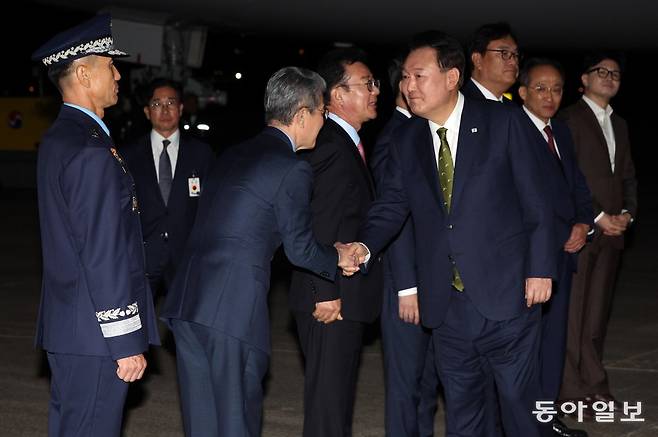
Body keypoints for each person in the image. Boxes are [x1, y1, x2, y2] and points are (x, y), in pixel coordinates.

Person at [348, 31, 556, 436]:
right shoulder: (407, 138)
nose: (408, 86)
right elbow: (391, 206)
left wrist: (541, 268)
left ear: (452, 77)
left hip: (509, 296)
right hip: (447, 307)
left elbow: (538, 201)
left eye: (418, 76)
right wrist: (363, 245)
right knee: (463, 413)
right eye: (405, 78)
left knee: (520, 410)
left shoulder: (504, 122)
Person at [159, 66, 359, 437]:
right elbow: (299, 249)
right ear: (302, 115)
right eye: (322, 112)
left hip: (187, 303)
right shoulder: (292, 168)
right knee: (236, 422)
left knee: (203, 424)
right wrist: (339, 257)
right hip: (230, 312)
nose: (324, 120)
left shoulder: (233, 154)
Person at [31, 13, 160, 437]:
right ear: (84, 73)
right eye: (110, 65)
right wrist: (125, 341)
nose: (119, 75)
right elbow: (103, 252)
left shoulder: (62, 139)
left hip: (74, 329)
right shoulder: (89, 151)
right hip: (96, 336)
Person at [288, 47, 384, 437]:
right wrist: (326, 291)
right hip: (331, 301)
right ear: (338, 95)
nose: (376, 90)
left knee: (336, 400)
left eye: (375, 83)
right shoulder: (330, 146)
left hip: (339, 294)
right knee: (329, 407)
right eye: (367, 84)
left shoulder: (345, 144)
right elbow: (317, 223)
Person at [558, 52, 638, 415]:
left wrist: (627, 215)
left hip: (613, 233)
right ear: (584, 80)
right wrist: (598, 215)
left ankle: (595, 386)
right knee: (573, 316)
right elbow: (566, 176)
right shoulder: (570, 119)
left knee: (595, 317)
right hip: (582, 228)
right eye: (601, 72)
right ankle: (570, 392)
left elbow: (628, 177)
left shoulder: (619, 123)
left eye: (615, 73)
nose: (609, 77)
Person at [517, 57, 594, 437]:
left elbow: (577, 185)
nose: (550, 96)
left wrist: (583, 223)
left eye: (557, 89)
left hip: (565, 255)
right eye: (541, 88)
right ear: (523, 92)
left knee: (553, 344)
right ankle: (522, 421)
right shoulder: (514, 131)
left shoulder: (560, 132)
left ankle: (545, 420)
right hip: (531, 259)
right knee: (525, 347)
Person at [370, 55, 440, 437]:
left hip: (428, 282)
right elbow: (392, 217)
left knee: (426, 383)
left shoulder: (420, 131)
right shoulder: (396, 137)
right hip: (405, 285)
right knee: (405, 386)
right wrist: (406, 287)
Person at [120, 78, 215, 296]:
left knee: (185, 322)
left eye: (170, 103)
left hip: (186, 254)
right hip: (143, 254)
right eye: (157, 104)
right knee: (140, 321)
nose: (164, 109)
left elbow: (210, 206)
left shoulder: (201, 154)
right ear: (146, 111)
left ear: (180, 109)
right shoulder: (129, 155)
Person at [462, 22, 520, 103]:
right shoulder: (457, 104)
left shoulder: (515, 111)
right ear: (477, 60)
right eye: (504, 53)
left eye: (515, 54)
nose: (514, 61)